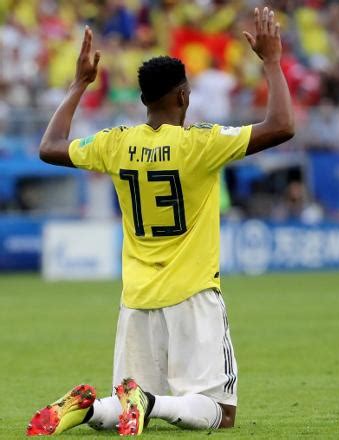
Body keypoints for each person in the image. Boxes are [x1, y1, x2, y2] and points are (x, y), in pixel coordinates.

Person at [26, 6, 294, 437]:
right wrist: (273, 62)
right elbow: (282, 125)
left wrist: (79, 83)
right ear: (183, 97)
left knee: (126, 403)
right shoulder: (200, 144)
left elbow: (50, 146)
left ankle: (88, 410)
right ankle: (147, 403)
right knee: (218, 412)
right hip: (192, 294)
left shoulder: (116, 143)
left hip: (136, 300)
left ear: (144, 100)